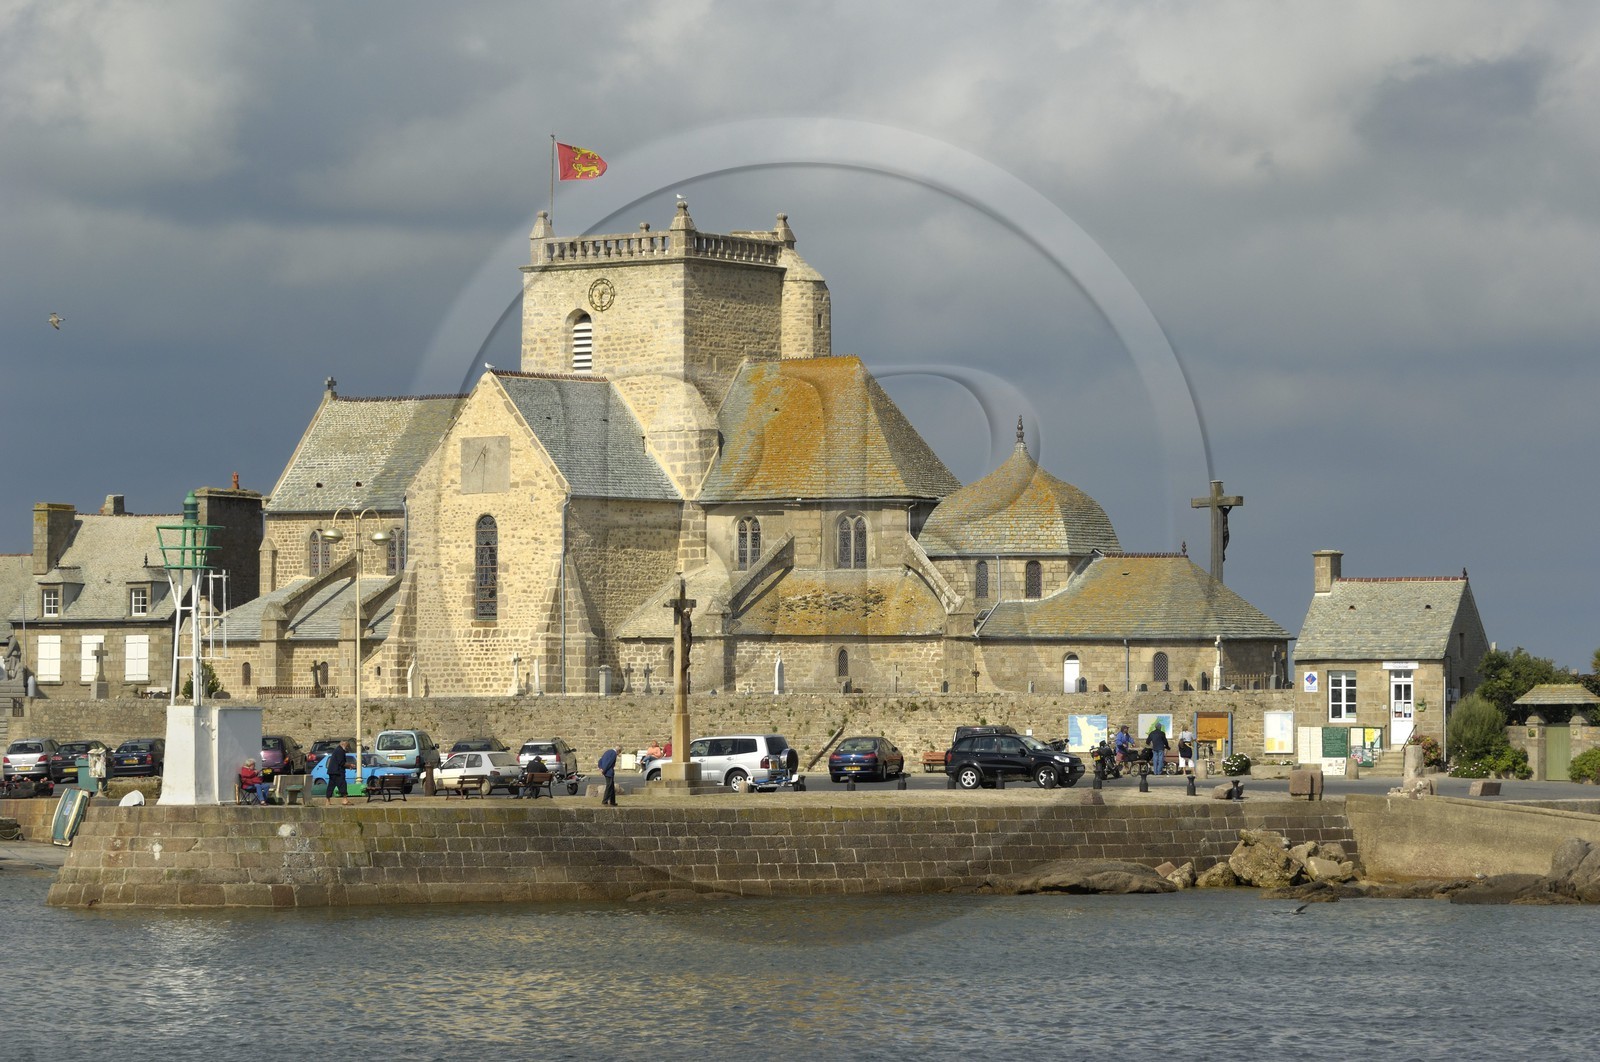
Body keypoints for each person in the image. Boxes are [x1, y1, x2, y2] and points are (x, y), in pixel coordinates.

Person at [325, 739, 352, 806]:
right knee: (342, 784)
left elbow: (339, 762)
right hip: (338, 772)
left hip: (332, 771)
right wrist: (349, 765)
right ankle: (345, 800)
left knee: (331, 785)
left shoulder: (337, 750)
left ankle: (327, 801)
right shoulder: (340, 751)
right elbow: (341, 762)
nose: (347, 747)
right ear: (343, 744)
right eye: (347, 746)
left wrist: (348, 766)